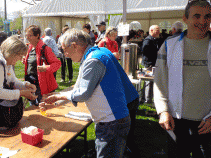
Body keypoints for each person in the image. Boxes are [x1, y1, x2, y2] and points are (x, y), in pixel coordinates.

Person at [42, 28, 139, 158]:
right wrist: (56, 103)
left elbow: (83, 93)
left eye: (65, 49)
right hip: (115, 118)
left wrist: (59, 96)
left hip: (111, 122)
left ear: (74, 46)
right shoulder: (98, 53)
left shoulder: (92, 60)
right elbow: (78, 88)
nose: (65, 54)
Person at [154, 0, 211, 157]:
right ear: (185, 18)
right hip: (176, 121)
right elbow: (160, 81)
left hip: (208, 122)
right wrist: (163, 111)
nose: (203, 21)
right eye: (197, 16)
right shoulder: (169, 45)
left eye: (207, 16)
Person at [0, 36, 37, 129]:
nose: (20, 59)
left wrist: (26, 85)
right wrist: (21, 93)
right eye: (20, 56)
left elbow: (12, 80)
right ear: (12, 53)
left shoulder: (6, 61)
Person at [23, 25, 61, 106]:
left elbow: (57, 63)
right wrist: (26, 61)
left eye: (30, 36)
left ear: (37, 36)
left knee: (42, 107)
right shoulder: (30, 48)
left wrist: (46, 68)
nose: (27, 38)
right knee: (32, 107)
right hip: (30, 83)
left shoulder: (45, 49)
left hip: (40, 86)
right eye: (26, 36)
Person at [141, 25, 160, 103]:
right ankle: (147, 99)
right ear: (151, 30)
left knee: (149, 82)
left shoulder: (153, 39)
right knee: (148, 82)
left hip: (151, 63)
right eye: (157, 30)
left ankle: (145, 98)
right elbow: (145, 52)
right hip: (149, 64)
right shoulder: (148, 40)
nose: (159, 31)